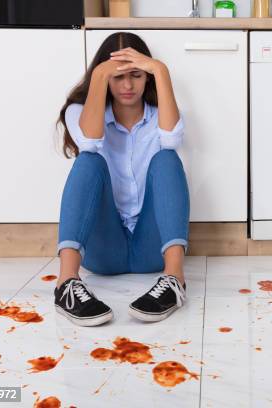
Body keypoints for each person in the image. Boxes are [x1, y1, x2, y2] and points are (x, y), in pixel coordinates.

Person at [54, 32, 190, 327]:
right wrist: (100, 75)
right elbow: (89, 143)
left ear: (147, 77)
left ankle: (175, 279)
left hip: (152, 248)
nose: (127, 85)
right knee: (89, 159)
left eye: (136, 75)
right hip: (104, 251)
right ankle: (66, 284)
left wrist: (162, 70)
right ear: (103, 78)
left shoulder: (161, 113)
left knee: (167, 157)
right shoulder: (81, 112)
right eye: (117, 77)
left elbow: (171, 138)